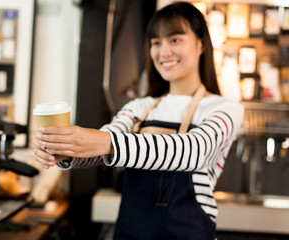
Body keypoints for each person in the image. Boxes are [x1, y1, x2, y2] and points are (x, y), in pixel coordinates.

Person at [33, 2, 244, 239]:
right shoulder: (138, 108)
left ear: (202, 43)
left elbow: (195, 151)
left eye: (175, 40)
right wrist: (66, 151)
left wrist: (107, 142)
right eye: (156, 42)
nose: (163, 52)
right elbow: (100, 147)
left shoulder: (225, 109)